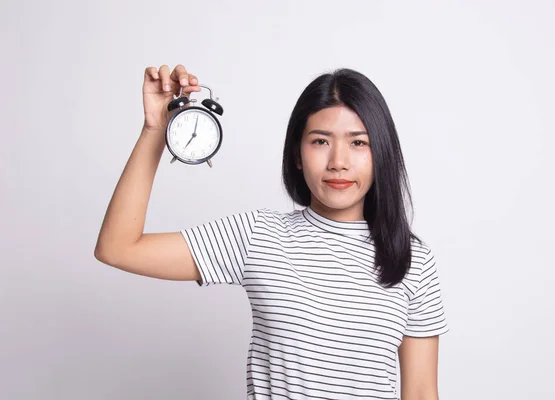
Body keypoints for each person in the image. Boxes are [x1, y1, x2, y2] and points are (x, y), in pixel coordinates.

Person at [94, 64, 449, 399]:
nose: (338, 161)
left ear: (381, 154)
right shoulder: (258, 235)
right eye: (320, 141)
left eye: (358, 143)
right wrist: (156, 130)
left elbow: (420, 393)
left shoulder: (413, 260)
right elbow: (117, 247)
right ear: (297, 154)